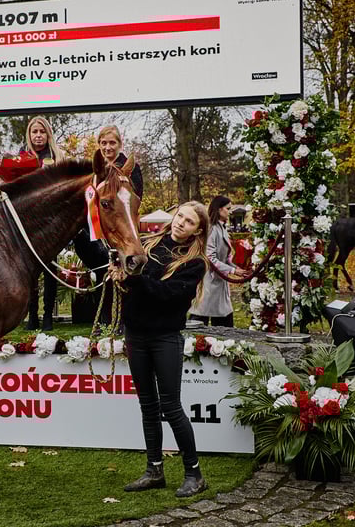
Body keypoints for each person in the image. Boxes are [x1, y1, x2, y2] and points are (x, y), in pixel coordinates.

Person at [111, 201, 209, 498]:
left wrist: (135, 278)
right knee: (148, 406)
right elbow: (132, 282)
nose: (181, 223)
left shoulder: (194, 263)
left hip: (165, 337)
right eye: (180, 216)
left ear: (198, 230)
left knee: (171, 406)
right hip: (136, 335)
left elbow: (168, 296)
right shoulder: (147, 244)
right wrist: (119, 273)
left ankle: (194, 473)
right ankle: (154, 469)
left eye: (189, 221)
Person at [74, 125, 144, 332]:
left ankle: (122, 319)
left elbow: (133, 198)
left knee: (122, 276)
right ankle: (103, 318)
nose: (107, 147)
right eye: (103, 143)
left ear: (120, 144)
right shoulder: (95, 169)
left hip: (120, 227)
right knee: (101, 274)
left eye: (112, 142)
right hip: (95, 231)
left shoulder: (129, 168)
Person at [18, 117, 65, 330]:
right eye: (34, 131)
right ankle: (32, 314)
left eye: (42, 132)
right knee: (29, 268)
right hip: (28, 219)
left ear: (48, 135)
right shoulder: (22, 156)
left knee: (49, 267)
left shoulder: (57, 157)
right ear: (29, 135)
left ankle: (47, 314)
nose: (38, 135)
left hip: (51, 220)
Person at [192, 195, 244, 327]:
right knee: (200, 319)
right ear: (219, 210)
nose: (230, 211)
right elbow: (211, 258)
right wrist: (232, 270)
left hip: (219, 282)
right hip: (209, 282)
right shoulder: (212, 229)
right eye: (228, 208)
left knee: (223, 319)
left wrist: (237, 269)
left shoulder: (222, 228)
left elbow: (224, 258)